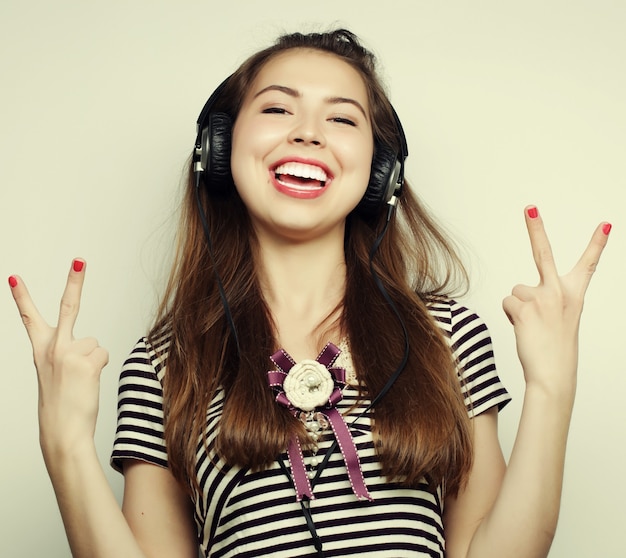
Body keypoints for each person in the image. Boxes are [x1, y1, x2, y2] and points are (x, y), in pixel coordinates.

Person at [8, 29, 610, 558]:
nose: (308, 134)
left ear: (381, 174)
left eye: (342, 119)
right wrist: (64, 446)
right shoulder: (163, 364)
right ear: (217, 151)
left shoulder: (445, 335)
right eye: (277, 110)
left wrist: (552, 387)